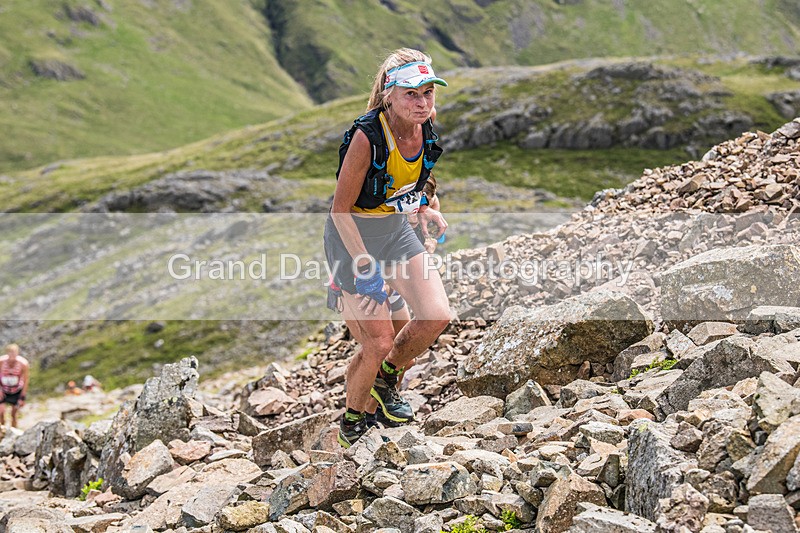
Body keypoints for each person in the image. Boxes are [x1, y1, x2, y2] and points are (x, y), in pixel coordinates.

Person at [324, 48, 451, 447]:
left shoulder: (426, 127)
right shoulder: (368, 136)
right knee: (377, 342)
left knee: (434, 316)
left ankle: (386, 381)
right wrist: (364, 264)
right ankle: (352, 424)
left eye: (428, 92)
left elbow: (418, 181)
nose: (422, 102)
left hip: (395, 231)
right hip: (353, 239)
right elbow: (340, 210)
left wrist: (429, 208)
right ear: (388, 95)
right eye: (412, 93)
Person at [0, 344, 29, 428]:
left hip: (16, 390)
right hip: (3, 389)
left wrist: (22, 396)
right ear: (7, 353)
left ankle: (14, 432)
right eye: (10, 352)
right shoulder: (1, 361)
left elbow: (26, 379)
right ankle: (2, 433)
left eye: (14, 352)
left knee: (14, 414)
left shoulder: (23, 363)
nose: (12, 355)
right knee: (1, 412)